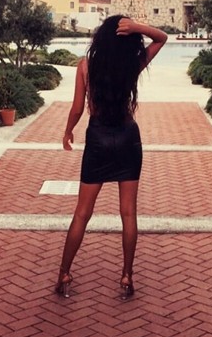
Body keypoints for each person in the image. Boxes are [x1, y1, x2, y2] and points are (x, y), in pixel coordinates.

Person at [55, 15, 167, 299]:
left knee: (82, 213)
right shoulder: (132, 64)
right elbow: (162, 38)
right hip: (128, 138)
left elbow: (77, 108)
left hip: (98, 139)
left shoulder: (86, 66)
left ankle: (64, 273)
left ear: (101, 38)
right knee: (128, 213)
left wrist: (68, 131)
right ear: (128, 41)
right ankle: (127, 276)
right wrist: (138, 28)